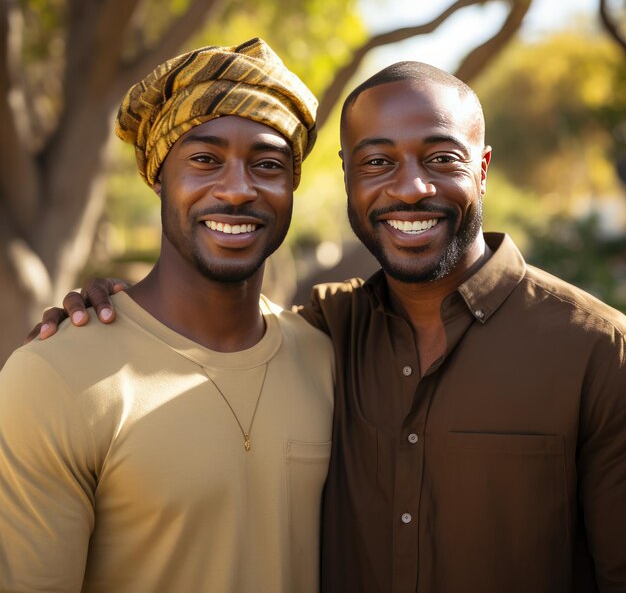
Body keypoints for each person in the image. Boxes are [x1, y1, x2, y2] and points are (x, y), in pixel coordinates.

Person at [27, 62, 626, 593]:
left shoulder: (597, 350)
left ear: (483, 168)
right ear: (348, 177)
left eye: (442, 158)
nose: (410, 187)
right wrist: (102, 311)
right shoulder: (330, 329)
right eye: (377, 162)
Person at [0, 38, 335, 593]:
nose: (236, 190)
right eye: (204, 159)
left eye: (268, 164)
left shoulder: (328, 357)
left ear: (292, 185)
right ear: (158, 175)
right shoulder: (53, 378)